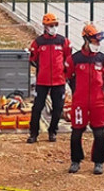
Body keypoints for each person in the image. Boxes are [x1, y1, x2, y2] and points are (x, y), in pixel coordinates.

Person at [66, 23, 104, 175]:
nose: (97, 44)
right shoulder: (75, 59)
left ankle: (98, 162)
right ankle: (75, 160)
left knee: (99, 133)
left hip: (98, 102)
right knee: (76, 132)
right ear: (86, 40)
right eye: (94, 41)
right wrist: (77, 90)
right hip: (79, 102)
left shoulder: (103, 59)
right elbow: (68, 75)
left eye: (99, 42)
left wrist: (98, 90)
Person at [27, 13, 72, 144]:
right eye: (51, 25)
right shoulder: (38, 42)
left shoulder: (63, 41)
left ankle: (52, 131)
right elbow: (32, 58)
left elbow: (68, 59)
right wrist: (41, 69)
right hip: (42, 81)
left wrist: (65, 74)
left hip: (59, 81)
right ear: (45, 26)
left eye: (55, 25)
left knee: (58, 108)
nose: (53, 27)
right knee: (37, 108)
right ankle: (33, 134)